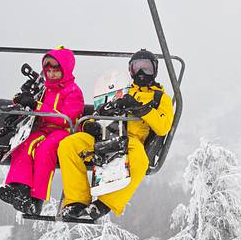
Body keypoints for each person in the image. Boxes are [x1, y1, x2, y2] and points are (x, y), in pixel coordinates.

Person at [57, 49, 174, 221]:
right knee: (69, 145)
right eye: (137, 68)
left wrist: (140, 108)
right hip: (104, 136)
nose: (141, 73)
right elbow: (100, 111)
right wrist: (91, 125)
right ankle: (77, 201)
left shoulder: (159, 97)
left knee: (140, 161)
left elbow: (163, 127)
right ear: (131, 70)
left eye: (146, 68)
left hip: (129, 142)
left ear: (155, 70)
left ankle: (104, 204)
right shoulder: (121, 89)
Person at [0, 48, 84, 215]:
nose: (51, 75)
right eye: (48, 71)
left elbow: (66, 118)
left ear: (65, 71)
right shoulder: (45, 89)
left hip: (65, 131)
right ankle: (19, 188)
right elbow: (30, 102)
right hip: (44, 129)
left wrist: (37, 106)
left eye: (55, 72)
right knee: (24, 145)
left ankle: (36, 199)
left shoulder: (73, 91)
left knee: (45, 150)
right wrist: (22, 99)